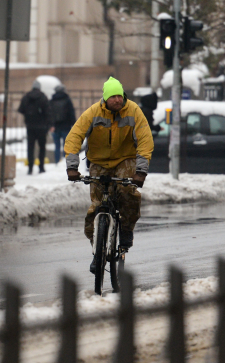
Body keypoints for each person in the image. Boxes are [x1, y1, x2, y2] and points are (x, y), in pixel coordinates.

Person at [65, 77, 153, 272]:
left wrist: (140, 171)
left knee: (127, 193)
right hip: (99, 162)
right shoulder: (93, 113)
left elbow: (145, 141)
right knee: (94, 210)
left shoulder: (133, 111)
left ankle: (127, 230)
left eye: (119, 95)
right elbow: (74, 137)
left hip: (125, 159)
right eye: (113, 96)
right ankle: (98, 252)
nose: (117, 100)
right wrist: (72, 167)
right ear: (105, 98)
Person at [18, 80, 51, 174]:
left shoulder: (26, 97)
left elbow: (21, 109)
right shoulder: (43, 97)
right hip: (42, 126)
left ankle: (30, 168)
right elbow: (48, 112)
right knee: (42, 147)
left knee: (30, 147)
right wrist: (48, 124)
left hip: (30, 126)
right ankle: (41, 167)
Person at [49, 84, 76, 163]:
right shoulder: (67, 100)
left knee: (57, 146)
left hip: (55, 127)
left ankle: (57, 162)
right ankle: (65, 162)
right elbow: (71, 113)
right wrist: (73, 124)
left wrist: (51, 125)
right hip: (66, 126)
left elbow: (50, 114)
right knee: (66, 146)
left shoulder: (52, 101)